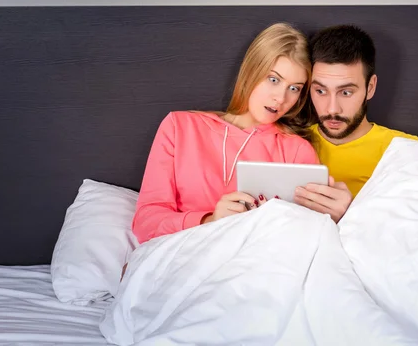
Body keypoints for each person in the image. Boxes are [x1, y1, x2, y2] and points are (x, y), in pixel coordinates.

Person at [132, 22, 319, 245]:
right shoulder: (179, 127)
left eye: (294, 88)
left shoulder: (297, 150)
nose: (281, 98)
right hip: (185, 256)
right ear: (252, 70)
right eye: (274, 79)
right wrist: (208, 220)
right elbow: (145, 223)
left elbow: (306, 235)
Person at [293, 25, 418, 223]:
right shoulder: (289, 143)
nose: (332, 109)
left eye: (346, 92)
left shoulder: (403, 149)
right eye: (320, 91)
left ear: (370, 88)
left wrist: (352, 214)